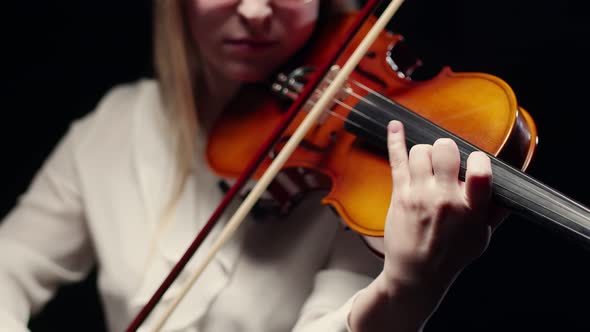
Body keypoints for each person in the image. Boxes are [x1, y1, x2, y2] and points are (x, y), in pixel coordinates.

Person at [0, 0, 505, 331]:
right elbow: (10, 263)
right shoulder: (116, 123)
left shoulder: (357, 164)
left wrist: (404, 290)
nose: (258, 10)